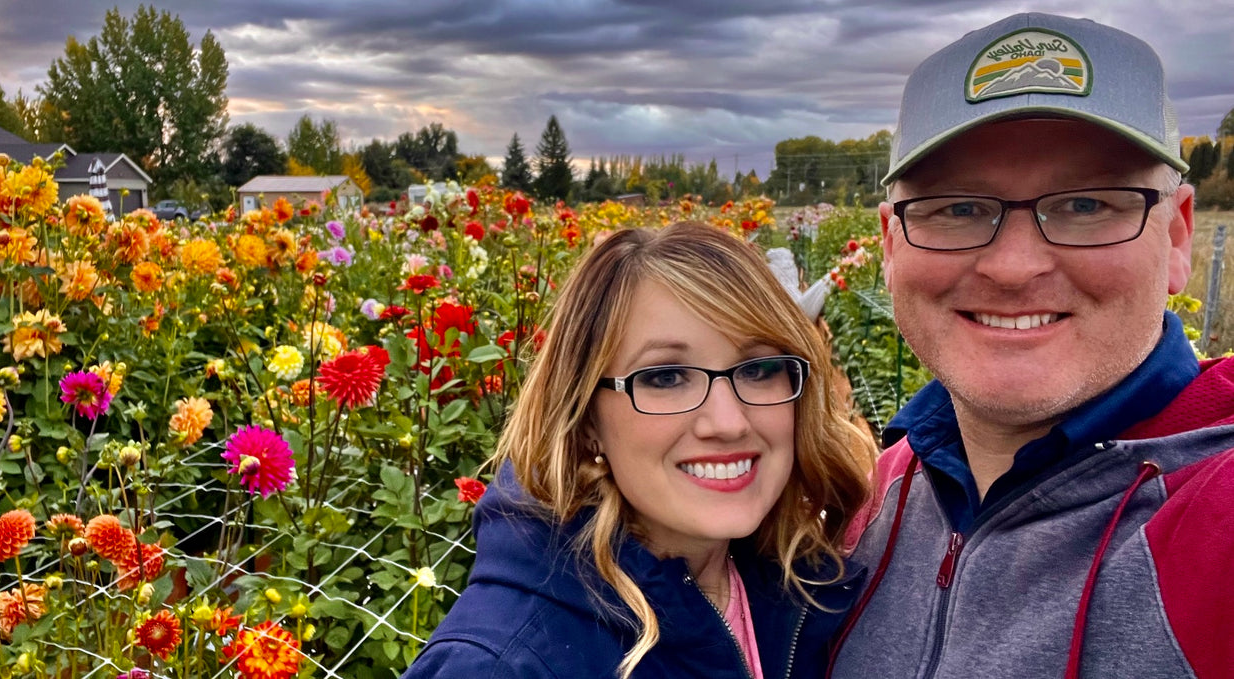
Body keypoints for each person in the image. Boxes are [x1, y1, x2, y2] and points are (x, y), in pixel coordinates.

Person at [829, 12, 1234, 679]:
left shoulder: (1212, 512)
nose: (1012, 267)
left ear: (1177, 236)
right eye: (957, 208)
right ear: (891, 247)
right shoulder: (872, 493)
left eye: (1085, 205)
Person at [402, 221, 876, 679]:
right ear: (586, 419)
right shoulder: (500, 665)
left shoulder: (796, 588)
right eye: (665, 377)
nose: (729, 423)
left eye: (758, 369)